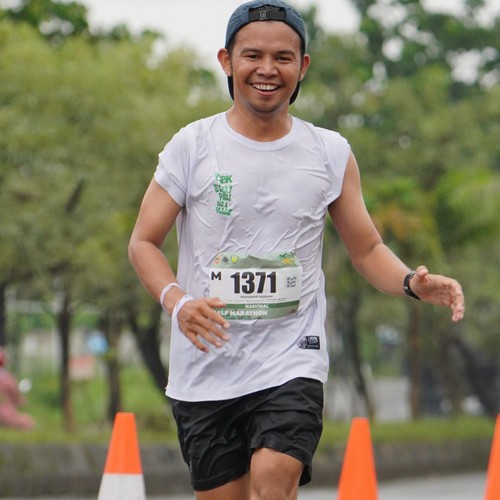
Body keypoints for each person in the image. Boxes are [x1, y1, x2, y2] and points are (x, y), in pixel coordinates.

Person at [128, 1, 465, 498]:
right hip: (206, 368)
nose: (267, 69)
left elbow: (367, 248)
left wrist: (410, 283)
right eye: (253, 56)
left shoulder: (329, 152)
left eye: (282, 57)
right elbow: (143, 242)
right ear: (226, 61)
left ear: (302, 66)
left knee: (273, 482)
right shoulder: (192, 146)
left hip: (291, 361)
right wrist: (178, 303)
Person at [0, 347, 34, 431]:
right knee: (28, 421)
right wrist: (22, 401)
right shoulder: (7, 378)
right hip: (4, 414)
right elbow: (15, 395)